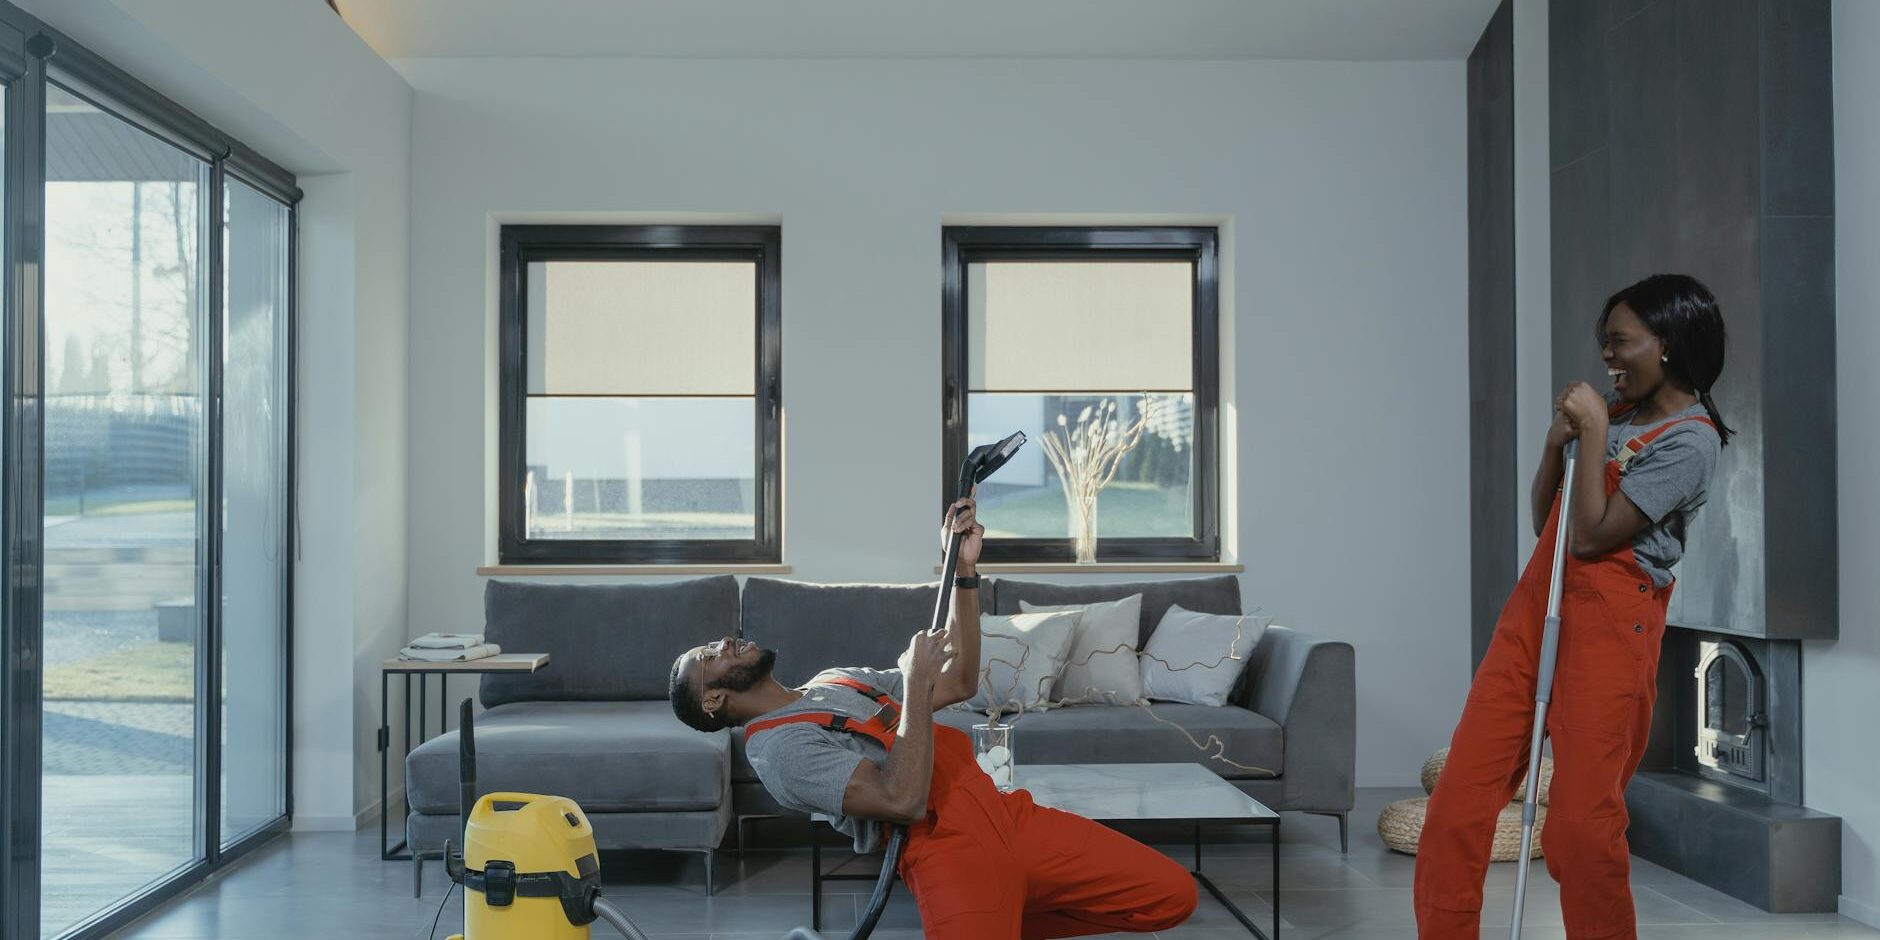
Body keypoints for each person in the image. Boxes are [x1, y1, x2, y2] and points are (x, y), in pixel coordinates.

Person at [668, 497, 1197, 940]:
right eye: (710, 656)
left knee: (1173, 896)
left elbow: (962, 679)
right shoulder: (778, 753)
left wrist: (963, 571)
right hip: (943, 847)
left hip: (1003, 814)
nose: (725, 643)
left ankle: (999, 915)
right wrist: (916, 685)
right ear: (713, 700)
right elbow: (903, 800)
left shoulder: (837, 680)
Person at [1414, 273, 1733, 938]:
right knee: (1454, 814)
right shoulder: (1613, 418)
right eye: (1605, 344)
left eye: (1620, 343)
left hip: (1611, 630)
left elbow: (1591, 538)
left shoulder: (1691, 441)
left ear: (1668, 344)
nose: (1608, 358)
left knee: (1580, 834)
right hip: (1533, 612)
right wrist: (1556, 445)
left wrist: (1590, 435)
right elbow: (1550, 526)